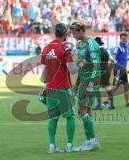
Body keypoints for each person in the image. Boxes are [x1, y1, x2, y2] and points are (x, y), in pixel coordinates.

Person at [40, 23, 80, 153]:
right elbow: (72, 70)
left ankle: (52, 146)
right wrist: (80, 63)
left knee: (53, 118)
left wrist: (44, 88)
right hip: (62, 88)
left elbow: (45, 72)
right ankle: (69, 145)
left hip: (50, 89)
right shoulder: (65, 47)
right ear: (65, 34)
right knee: (70, 117)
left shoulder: (46, 48)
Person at [70, 21, 101, 151]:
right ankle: (89, 140)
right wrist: (76, 85)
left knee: (81, 111)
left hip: (90, 82)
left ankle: (92, 141)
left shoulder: (91, 45)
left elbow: (97, 66)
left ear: (80, 31)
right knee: (86, 111)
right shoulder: (79, 44)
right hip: (83, 81)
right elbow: (81, 67)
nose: (72, 35)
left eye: (74, 32)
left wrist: (90, 86)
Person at [112, 32, 129, 108]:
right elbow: (114, 54)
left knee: (126, 86)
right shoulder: (118, 47)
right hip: (118, 69)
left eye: (126, 38)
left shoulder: (125, 46)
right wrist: (114, 60)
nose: (125, 40)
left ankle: (127, 103)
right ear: (120, 39)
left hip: (123, 70)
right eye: (123, 38)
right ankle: (106, 101)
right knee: (116, 86)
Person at [92, 37, 115, 110]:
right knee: (107, 87)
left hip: (100, 70)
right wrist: (109, 69)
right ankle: (111, 104)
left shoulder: (96, 51)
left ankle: (99, 105)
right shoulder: (106, 51)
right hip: (106, 70)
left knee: (96, 87)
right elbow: (113, 61)